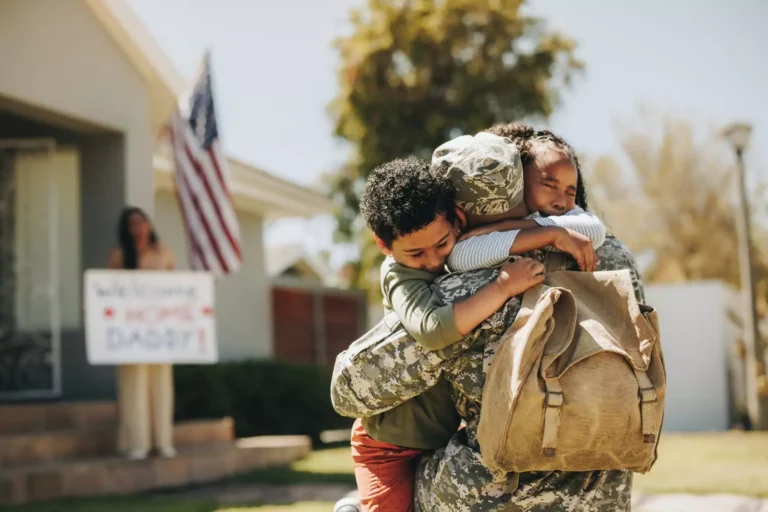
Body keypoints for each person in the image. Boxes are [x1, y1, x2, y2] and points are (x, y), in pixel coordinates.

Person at [332, 124, 645, 511]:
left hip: (496, 493)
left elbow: (350, 387)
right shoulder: (617, 263)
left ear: (456, 214)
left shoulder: (471, 285)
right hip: (604, 486)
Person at [108, 207, 177, 461]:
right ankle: (136, 443)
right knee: (132, 386)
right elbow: (109, 290)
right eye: (132, 224)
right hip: (130, 332)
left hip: (159, 332)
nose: (138, 228)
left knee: (161, 385)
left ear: (149, 225)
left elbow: (176, 289)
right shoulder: (118, 256)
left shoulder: (164, 253)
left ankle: (163, 441)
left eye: (142, 222)